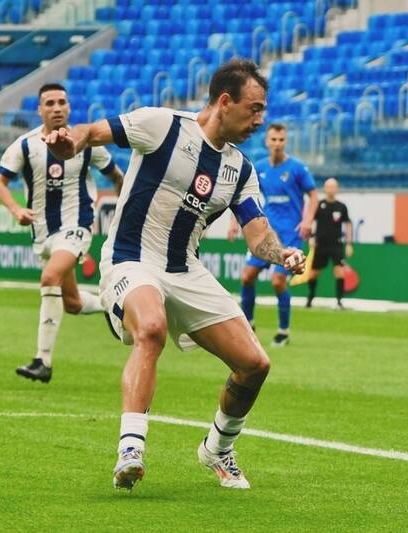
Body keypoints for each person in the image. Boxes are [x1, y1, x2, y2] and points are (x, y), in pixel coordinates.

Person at [43, 59, 306, 491]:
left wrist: (282, 254)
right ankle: (130, 449)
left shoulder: (240, 169)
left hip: (185, 269)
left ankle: (218, 448)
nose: (260, 120)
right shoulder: (162, 125)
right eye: (254, 109)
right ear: (225, 101)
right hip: (131, 258)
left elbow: (258, 235)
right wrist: (68, 143)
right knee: (151, 328)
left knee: (255, 364)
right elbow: (91, 131)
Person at [0, 82, 124, 383]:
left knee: (50, 277)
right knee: (72, 303)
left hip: (76, 226)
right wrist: (16, 210)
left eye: (61, 102)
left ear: (69, 107)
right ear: (39, 109)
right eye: (49, 103)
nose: (56, 108)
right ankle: (107, 303)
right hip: (43, 233)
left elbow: (116, 176)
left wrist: (124, 205)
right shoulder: (26, 145)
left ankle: (43, 361)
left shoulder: (87, 142)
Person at [228, 122, 318, 346]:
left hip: (290, 234)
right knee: (247, 277)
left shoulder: (297, 168)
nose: (277, 144)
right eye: (273, 140)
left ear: (286, 142)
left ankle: (283, 332)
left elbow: (314, 195)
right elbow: (244, 196)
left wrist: (308, 220)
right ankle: (249, 325)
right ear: (267, 141)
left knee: (278, 281)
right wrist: (234, 222)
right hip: (265, 233)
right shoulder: (259, 167)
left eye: (281, 140)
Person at [306, 177, 353, 309]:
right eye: (328, 187)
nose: (331, 189)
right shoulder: (319, 205)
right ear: (325, 189)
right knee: (313, 274)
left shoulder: (341, 207)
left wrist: (349, 243)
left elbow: (348, 224)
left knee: (339, 271)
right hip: (320, 244)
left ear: (336, 189)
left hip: (336, 244)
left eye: (333, 187)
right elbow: (310, 221)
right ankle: (310, 297)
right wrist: (311, 237)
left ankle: (339, 301)